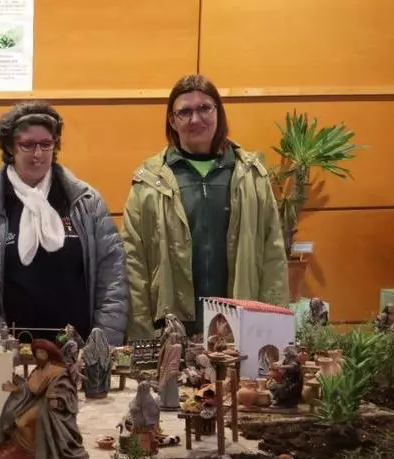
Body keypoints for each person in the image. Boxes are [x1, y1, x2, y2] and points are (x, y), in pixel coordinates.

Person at [123, 74, 288, 340]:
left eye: (204, 108)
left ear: (218, 112)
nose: (195, 119)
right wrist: (141, 335)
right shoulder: (148, 184)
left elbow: (273, 257)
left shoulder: (251, 177)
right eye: (185, 112)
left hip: (240, 328)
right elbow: (134, 265)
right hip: (172, 332)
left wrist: (272, 329)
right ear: (172, 120)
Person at [0, 102, 126, 346]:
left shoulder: (86, 202)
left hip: (80, 350)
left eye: (46, 144)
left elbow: (112, 276)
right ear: (10, 147)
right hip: (12, 348)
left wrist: (103, 344)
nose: (38, 154)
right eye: (28, 145)